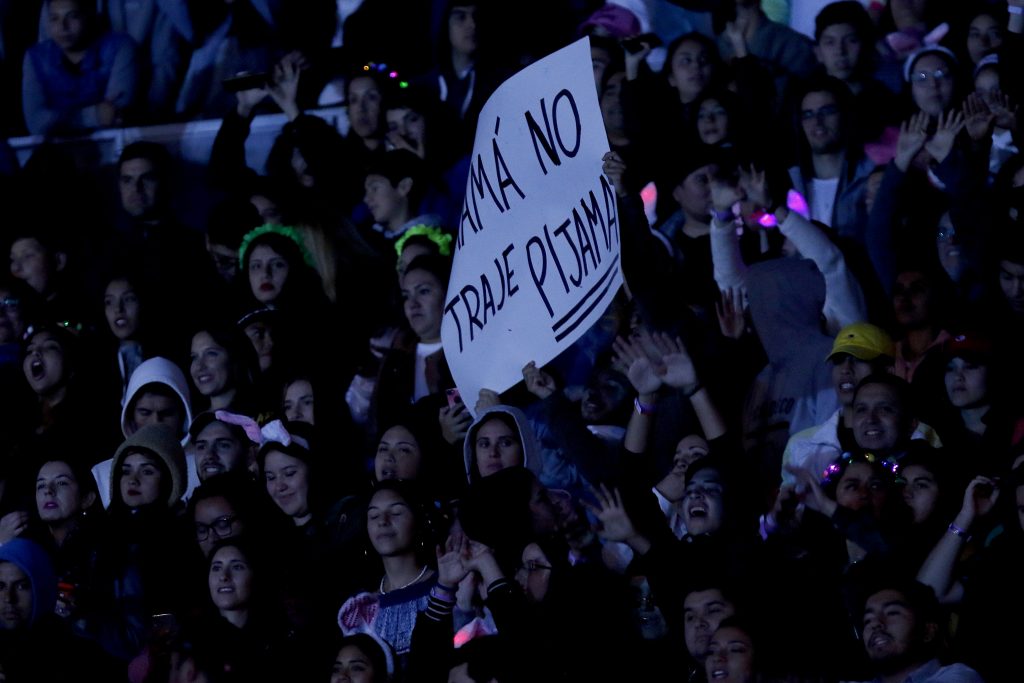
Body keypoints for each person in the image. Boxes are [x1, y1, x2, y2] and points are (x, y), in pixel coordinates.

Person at [21, 0, 137, 135]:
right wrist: (94, 115)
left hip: (111, 142)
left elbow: (114, 114)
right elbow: (36, 123)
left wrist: (58, 119)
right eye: (54, 18)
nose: (63, 27)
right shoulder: (36, 57)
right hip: (54, 146)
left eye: (72, 16)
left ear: (88, 16)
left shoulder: (119, 47)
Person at [854, 578, 984, 683]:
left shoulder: (959, 676)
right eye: (868, 620)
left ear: (928, 631)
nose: (875, 624)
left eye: (892, 613)